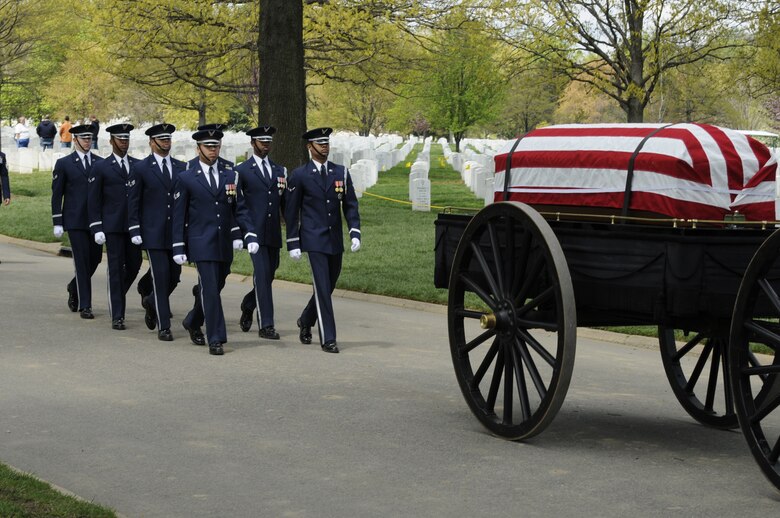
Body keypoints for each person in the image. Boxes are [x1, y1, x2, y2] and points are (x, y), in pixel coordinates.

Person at [172, 128, 258, 356]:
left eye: (216, 146)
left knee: (216, 286)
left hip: (223, 242)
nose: (213, 150)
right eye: (208, 146)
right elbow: (179, 216)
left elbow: (240, 208)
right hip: (200, 242)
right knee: (210, 289)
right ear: (198, 148)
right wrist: (178, 246)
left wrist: (248, 234)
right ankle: (216, 338)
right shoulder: (186, 178)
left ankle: (192, 320)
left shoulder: (230, 175)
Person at [285, 127, 361, 354]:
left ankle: (306, 319)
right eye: (320, 143)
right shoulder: (300, 175)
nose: (325, 146)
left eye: (326, 143)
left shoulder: (340, 172)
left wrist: (354, 230)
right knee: (321, 285)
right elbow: (292, 211)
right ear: (310, 147)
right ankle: (329, 338)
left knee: (329, 285)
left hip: (334, 238)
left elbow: (350, 204)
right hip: (313, 238)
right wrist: (293, 241)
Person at [127, 123, 188, 342]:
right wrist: (134, 228)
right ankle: (164, 326)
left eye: (168, 139)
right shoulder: (142, 168)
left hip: (176, 233)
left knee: (174, 277)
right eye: (162, 139)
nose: (166, 142)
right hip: (153, 232)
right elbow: (133, 201)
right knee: (161, 277)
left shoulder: (181, 167)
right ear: (152, 142)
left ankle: (152, 302)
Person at [87, 123, 142, 330]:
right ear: (111, 141)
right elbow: (94, 200)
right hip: (112, 226)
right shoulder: (101, 167)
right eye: (120, 139)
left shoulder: (137, 165)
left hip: (133, 227)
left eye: (126, 139)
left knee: (135, 264)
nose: (124, 143)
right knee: (116, 269)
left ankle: (117, 293)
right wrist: (96, 227)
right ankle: (118, 315)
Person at [236, 125, 286, 339]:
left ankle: (248, 304)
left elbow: (284, 203)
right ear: (252, 143)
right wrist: (244, 232)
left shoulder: (279, 170)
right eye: (261, 141)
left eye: (268, 141)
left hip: (273, 231)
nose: (265, 145)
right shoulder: (242, 171)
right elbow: (239, 205)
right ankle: (266, 325)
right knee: (263, 276)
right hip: (254, 233)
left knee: (270, 272)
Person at [51, 124, 104, 319]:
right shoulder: (65, 163)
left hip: (95, 221)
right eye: (84, 138)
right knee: (81, 262)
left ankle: (73, 287)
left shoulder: (99, 163)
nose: (87, 142)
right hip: (74, 219)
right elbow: (57, 194)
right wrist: (57, 220)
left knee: (95, 259)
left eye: (90, 138)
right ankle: (86, 305)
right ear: (75, 140)